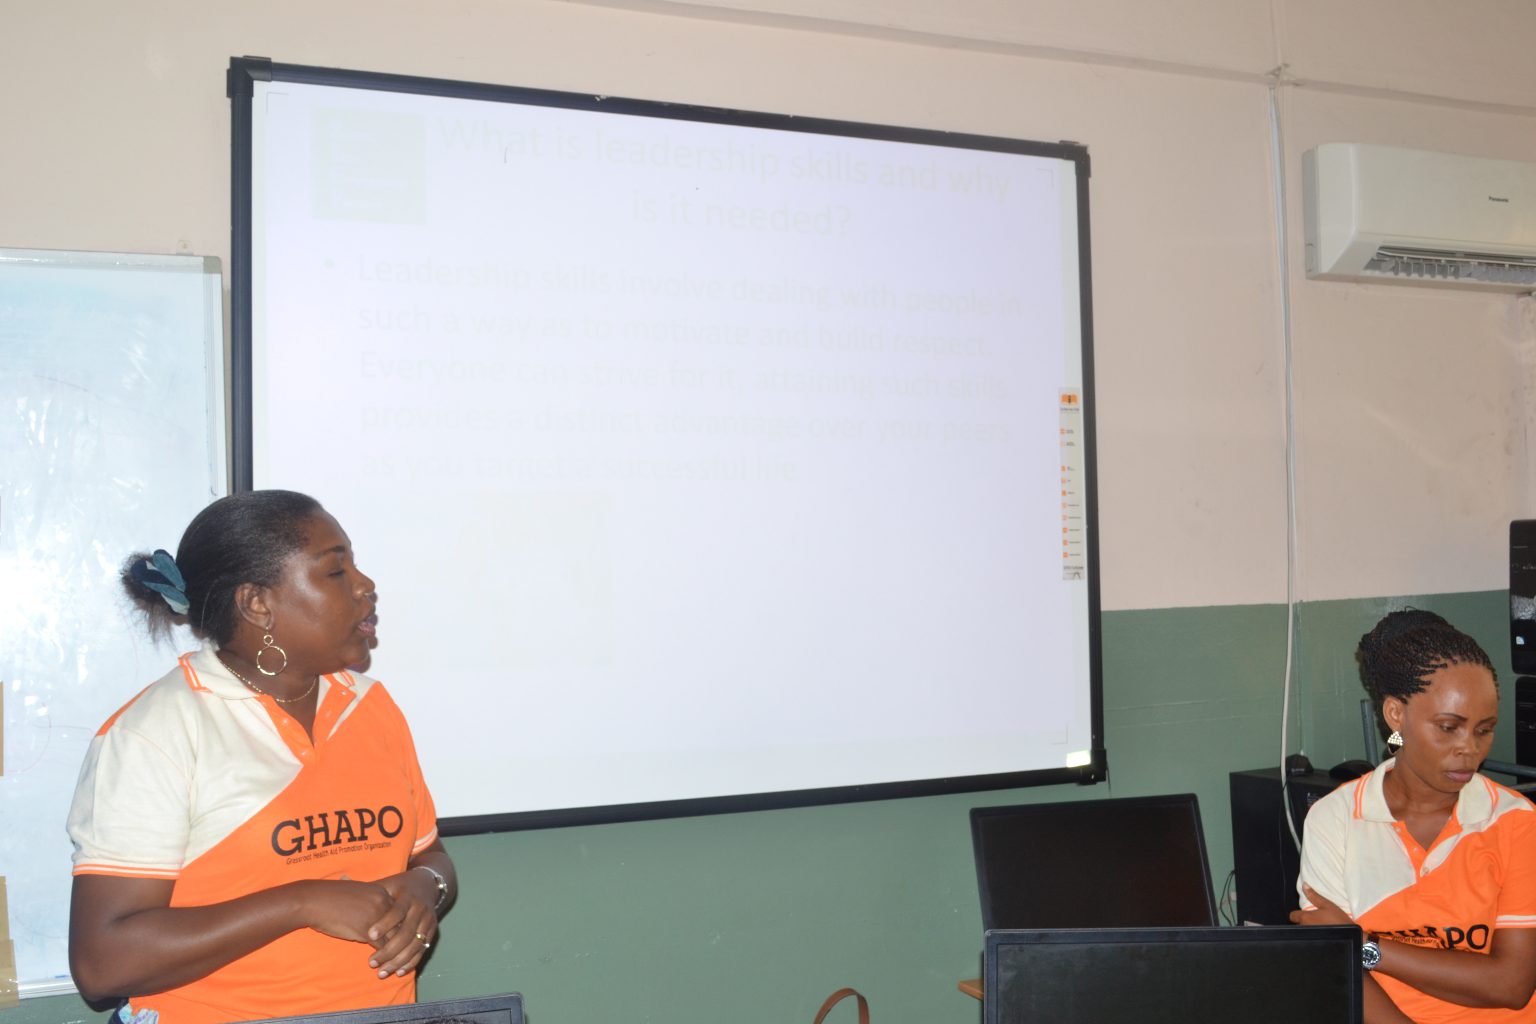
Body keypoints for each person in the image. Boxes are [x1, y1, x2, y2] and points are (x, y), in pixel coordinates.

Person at [68, 490, 457, 1024]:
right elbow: (103, 963)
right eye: (336, 572)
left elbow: (429, 855)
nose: (365, 586)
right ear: (257, 604)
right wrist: (301, 902)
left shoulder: (371, 707)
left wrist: (426, 887)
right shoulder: (156, 734)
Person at [1291, 609, 1536, 1023]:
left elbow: (1511, 986)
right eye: (1448, 727)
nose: (1470, 749)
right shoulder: (1334, 819)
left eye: (1483, 730)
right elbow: (1340, 971)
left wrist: (1367, 946)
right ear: (1395, 715)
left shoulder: (1516, 820)